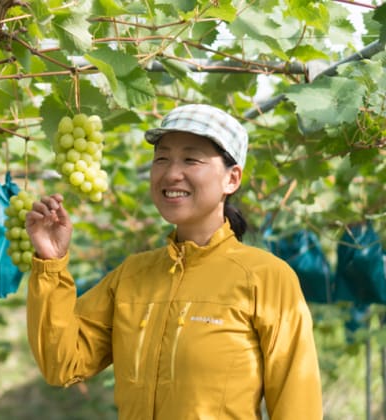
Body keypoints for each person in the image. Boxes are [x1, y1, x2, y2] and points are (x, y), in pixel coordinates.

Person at [25, 104, 322, 419]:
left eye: (191, 159)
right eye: (161, 159)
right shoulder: (131, 275)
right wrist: (51, 262)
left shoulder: (266, 277)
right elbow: (62, 364)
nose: (170, 173)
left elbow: (297, 404)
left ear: (232, 179)